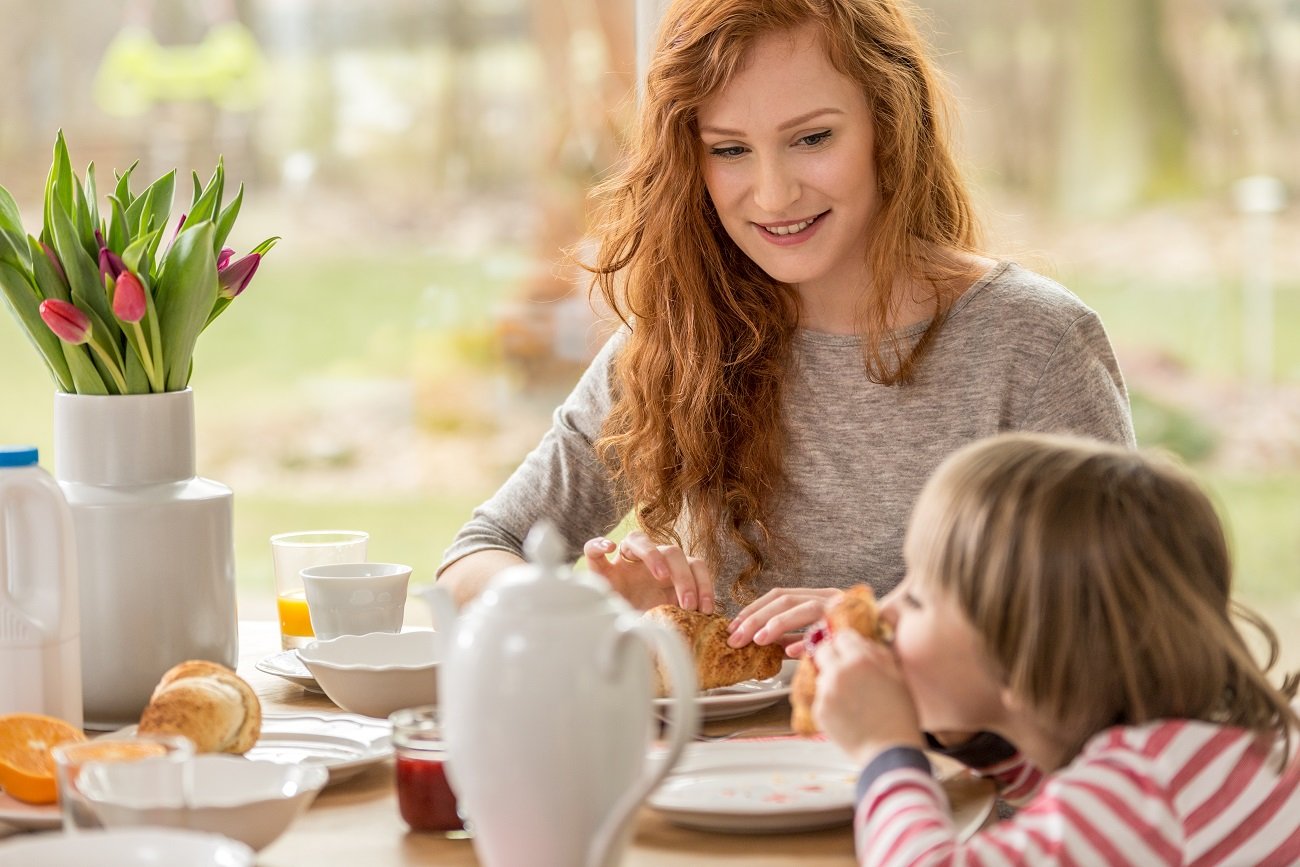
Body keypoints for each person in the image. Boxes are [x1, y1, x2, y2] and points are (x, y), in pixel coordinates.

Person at [436, 0, 1134, 634]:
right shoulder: (677, 341)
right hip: (721, 772)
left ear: (889, 127)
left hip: (957, 774)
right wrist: (588, 609)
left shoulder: (1036, 345)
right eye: (731, 149)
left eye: (812, 139)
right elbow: (475, 557)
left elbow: (1121, 619)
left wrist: (878, 624)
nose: (773, 194)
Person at [813, 432, 1300, 865]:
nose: (886, 610)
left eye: (916, 598)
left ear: (1023, 655)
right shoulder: (1189, 751)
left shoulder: (1143, 791)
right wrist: (971, 737)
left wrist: (886, 749)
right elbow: (1063, 805)